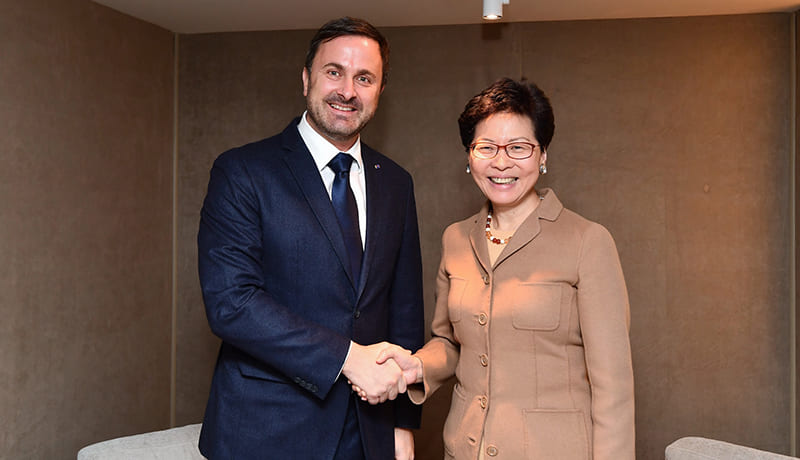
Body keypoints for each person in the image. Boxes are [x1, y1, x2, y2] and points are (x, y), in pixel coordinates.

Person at [196, 17, 424, 460]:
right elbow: (232, 302)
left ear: (379, 91)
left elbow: (405, 309)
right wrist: (347, 358)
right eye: (333, 72)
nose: (347, 91)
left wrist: (401, 423)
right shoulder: (243, 171)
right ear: (306, 79)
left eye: (365, 78)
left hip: (369, 429)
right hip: (266, 430)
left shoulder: (396, 182)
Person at [371, 78, 635, 459]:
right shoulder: (456, 239)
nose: (501, 162)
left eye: (519, 148)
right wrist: (414, 366)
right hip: (464, 449)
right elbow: (450, 343)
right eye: (486, 147)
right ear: (469, 156)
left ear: (543, 155)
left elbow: (614, 388)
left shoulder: (587, 242)